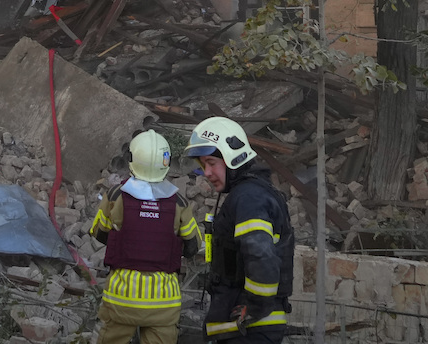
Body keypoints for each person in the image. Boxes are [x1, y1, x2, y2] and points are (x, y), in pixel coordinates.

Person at [184, 117, 294, 344]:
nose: (207, 172)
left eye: (212, 163)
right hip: (245, 330)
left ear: (233, 157)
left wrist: (254, 308)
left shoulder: (249, 198)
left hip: (249, 331)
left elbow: (260, 254)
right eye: (203, 165)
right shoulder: (250, 194)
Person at [89, 131, 203, 344]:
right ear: (166, 162)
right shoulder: (178, 202)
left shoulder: (116, 195)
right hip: (164, 303)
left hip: (121, 299)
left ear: (132, 159)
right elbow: (192, 246)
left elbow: (100, 233)